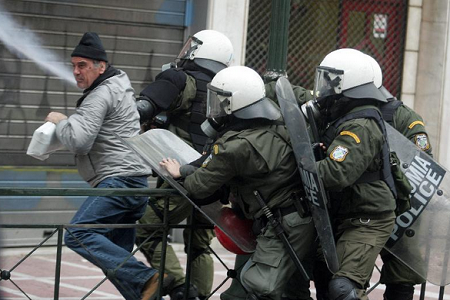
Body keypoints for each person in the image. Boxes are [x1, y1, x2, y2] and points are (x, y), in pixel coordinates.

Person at [160, 66, 317, 300]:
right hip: (302, 218)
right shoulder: (278, 125)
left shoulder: (234, 146)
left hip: (283, 224)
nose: (217, 107)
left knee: (257, 285)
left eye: (222, 101)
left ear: (236, 104)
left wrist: (178, 172)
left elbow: (198, 186)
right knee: (293, 290)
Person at [44, 32, 173, 300]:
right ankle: (147, 286)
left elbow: (79, 141)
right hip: (134, 183)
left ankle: (148, 276)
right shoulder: (118, 86)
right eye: (73, 65)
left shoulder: (100, 94)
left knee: (79, 235)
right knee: (117, 265)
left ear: (100, 66)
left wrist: (60, 120)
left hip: (119, 182)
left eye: (83, 65)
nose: (76, 72)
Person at [134, 29, 234, 300]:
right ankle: (198, 295)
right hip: (214, 178)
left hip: (180, 176)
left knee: (147, 230)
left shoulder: (183, 80)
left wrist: (140, 110)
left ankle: (180, 287)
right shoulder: (229, 89)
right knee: (199, 244)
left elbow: (148, 104)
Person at [307, 48, 397, 300]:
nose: (324, 88)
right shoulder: (342, 116)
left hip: (368, 218)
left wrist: (299, 167)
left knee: (343, 288)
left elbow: (336, 173)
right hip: (343, 213)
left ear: (350, 84)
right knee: (324, 281)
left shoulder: (360, 124)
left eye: (331, 81)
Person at [367, 56, 432, 300]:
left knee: (402, 276)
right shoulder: (342, 112)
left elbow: (424, 165)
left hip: (399, 206)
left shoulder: (405, 117)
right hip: (357, 207)